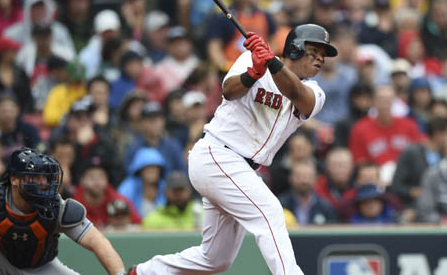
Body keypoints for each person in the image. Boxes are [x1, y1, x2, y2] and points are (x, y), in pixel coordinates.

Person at [130, 24, 337, 275]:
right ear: (294, 49)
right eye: (314, 51)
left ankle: (142, 273)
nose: (320, 59)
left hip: (239, 168)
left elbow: (294, 92)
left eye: (323, 55)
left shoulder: (315, 91)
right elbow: (229, 91)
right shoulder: (252, 58)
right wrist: (253, 72)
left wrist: (271, 63)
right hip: (218, 154)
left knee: (215, 259)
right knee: (270, 212)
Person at [0, 147, 128, 274]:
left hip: (42, 268)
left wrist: (120, 274)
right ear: (14, 179)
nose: (42, 182)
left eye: (45, 176)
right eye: (34, 176)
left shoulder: (56, 206)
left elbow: (98, 242)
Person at [349, 85, 423, 185]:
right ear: (373, 102)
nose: (384, 104)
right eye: (380, 100)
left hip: (406, 180)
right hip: (375, 182)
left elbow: (419, 156)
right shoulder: (360, 128)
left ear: (394, 102)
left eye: (388, 100)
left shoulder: (409, 125)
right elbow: (359, 161)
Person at [390, 117, 447, 209]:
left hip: (441, 208)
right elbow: (396, 187)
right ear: (438, 134)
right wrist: (412, 192)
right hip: (414, 207)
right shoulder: (411, 153)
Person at [71, 156, 141, 228]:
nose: (97, 181)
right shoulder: (74, 205)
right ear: (82, 181)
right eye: (91, 177)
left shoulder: (119, 201)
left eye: (101, 176)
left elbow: (138, 224)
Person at [118, 147, 167, 218]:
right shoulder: (128, 187)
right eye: (148, 168)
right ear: (139, 170)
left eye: (155, 167)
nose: (152, 171)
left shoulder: (165, 187)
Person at [314, 147, 356, 221]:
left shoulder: (359, 188)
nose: (340, 169)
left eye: (344, 165)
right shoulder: (316, 187)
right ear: (327, 167)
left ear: (352, 167)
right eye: (335, 165)